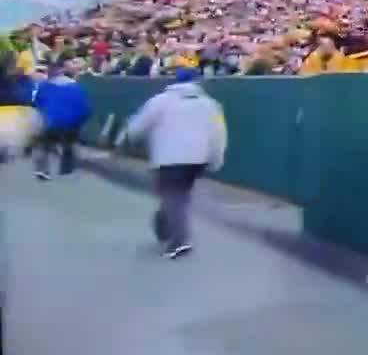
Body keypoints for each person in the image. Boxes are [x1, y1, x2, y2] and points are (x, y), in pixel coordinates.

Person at [118, 67, 227, 259]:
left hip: (169, 158)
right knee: (179, 195)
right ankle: (166, 224)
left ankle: (180, 240)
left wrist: (127, 138)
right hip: (198, 159)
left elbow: (138, 126)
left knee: (172, 196)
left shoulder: (159, 101)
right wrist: (216, 159)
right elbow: (219, 134)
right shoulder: (211, 105)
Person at [30, 60, 91, 180]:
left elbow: (37, 105)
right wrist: (80, 122)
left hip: (52, 123)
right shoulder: (76, 87)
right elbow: (85, 109)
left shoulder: (44, 86)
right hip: (71, 125)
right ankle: (66, 170)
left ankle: (43, 170)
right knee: (68, 144)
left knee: (45, 144)